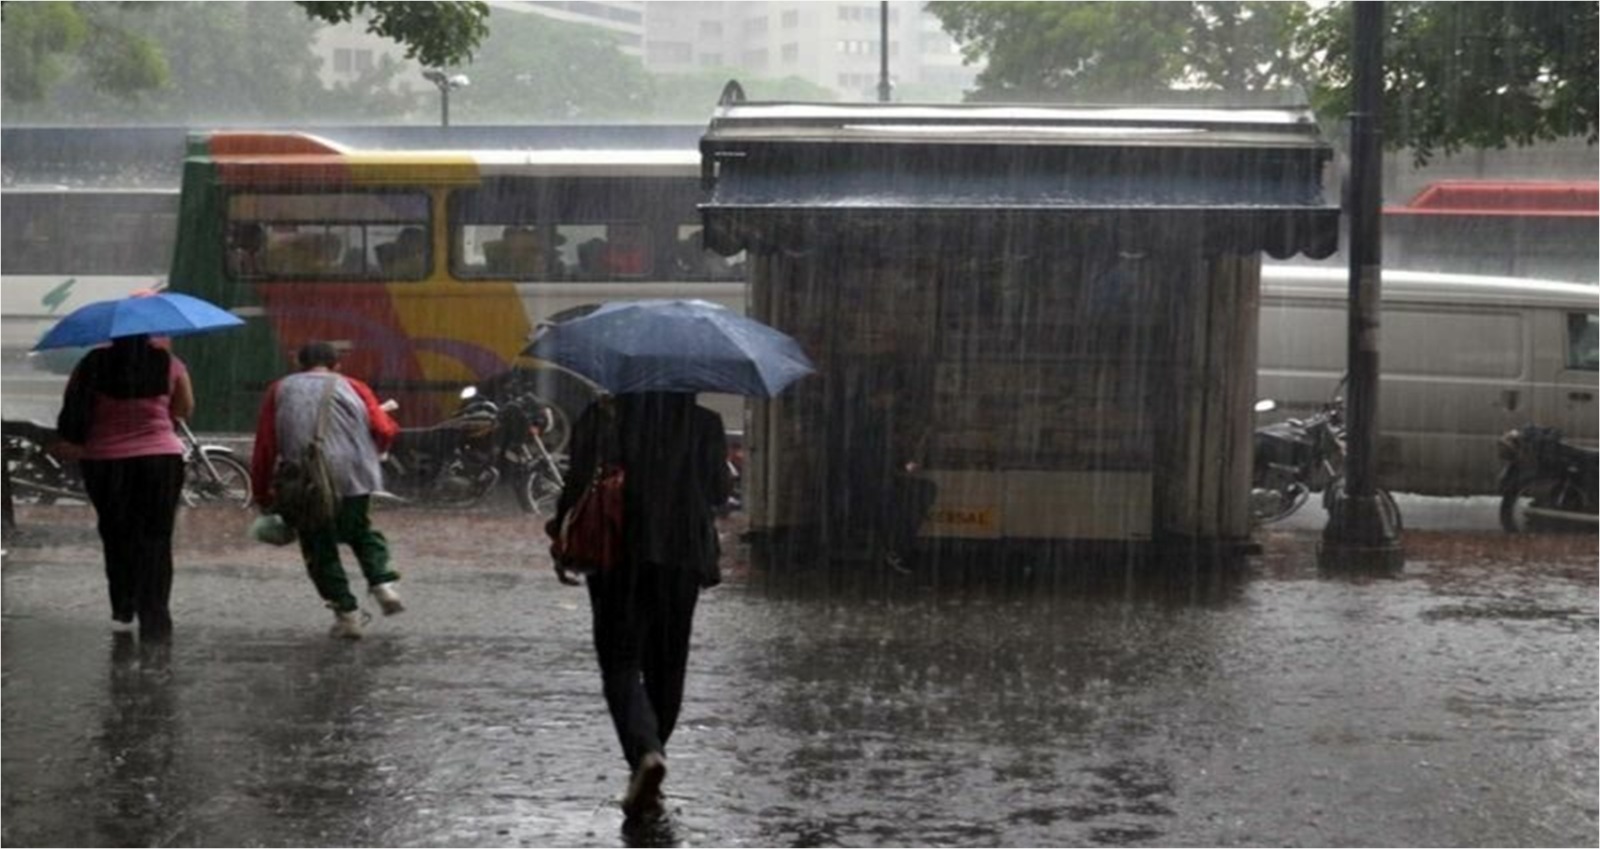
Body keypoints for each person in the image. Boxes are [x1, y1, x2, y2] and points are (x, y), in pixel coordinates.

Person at [546, 392, 732, 823]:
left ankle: (645, 754)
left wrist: (561, 539)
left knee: (621, 662)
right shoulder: (703, 422)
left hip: (618, 553)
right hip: (683, 556)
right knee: (668, 666)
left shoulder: (603, 414)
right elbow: (720, 493)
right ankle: (648, 764)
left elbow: (578, 485)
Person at [250, 342, 404, 640]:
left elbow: (266, 444)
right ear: (337, 365)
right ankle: (382, 583)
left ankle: (346, 615)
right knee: (359, 530)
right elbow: (384, 430)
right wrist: (376, 450)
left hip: (306, 481)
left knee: (318, 545)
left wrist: (262, 493)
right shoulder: (355, 387)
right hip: (354, 475)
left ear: (299, 363)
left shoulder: (279, 389)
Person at [54, 334, 194, 641]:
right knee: (156, 537)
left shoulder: (92, 363)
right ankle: (155, 613)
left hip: (106, 462)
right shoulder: (170, 364)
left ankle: (124, 602)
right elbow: (184, 408)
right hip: (160, 460)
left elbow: (73, 407)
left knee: (117, 532)